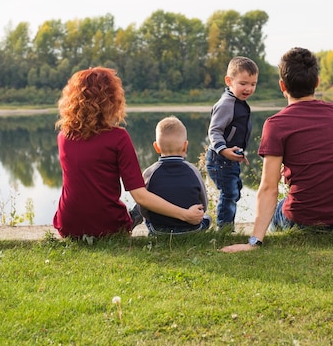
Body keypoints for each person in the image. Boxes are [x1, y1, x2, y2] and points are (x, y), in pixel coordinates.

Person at [221, 47, 333, 252]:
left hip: (304, 221)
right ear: (317, 82)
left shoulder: (277, 123)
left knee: (280, 208)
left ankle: (275, 239)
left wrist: (253, 242)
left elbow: (269, 187)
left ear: (282, 86)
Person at [53, 67, 205, 239]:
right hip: (108, 228)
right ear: (111, 100)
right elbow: (140, 196)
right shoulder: (118, 137)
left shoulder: (63, 137)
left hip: (68, 225)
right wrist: (185, 214)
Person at [130, 116, 212, 235]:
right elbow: (203, 203)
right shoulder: (193, 170)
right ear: (185, 146)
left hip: (159, 229)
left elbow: (144, 207)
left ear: (156, 147)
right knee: (207, 218)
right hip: (191, 228)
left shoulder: (149, 172)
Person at [206, 56, 258, 230]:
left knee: (235, 190)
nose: (249, 88)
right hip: (219, 159)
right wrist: (223, 150)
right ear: (229, 81)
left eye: (253, 84)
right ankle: (224, 229)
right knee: (229, 193)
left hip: (230, 158)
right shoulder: (226, 104)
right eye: (243, 83)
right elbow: (214, 131)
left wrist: (240, 154)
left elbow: (236, 133)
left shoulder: (239, 102)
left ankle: (226, 226)